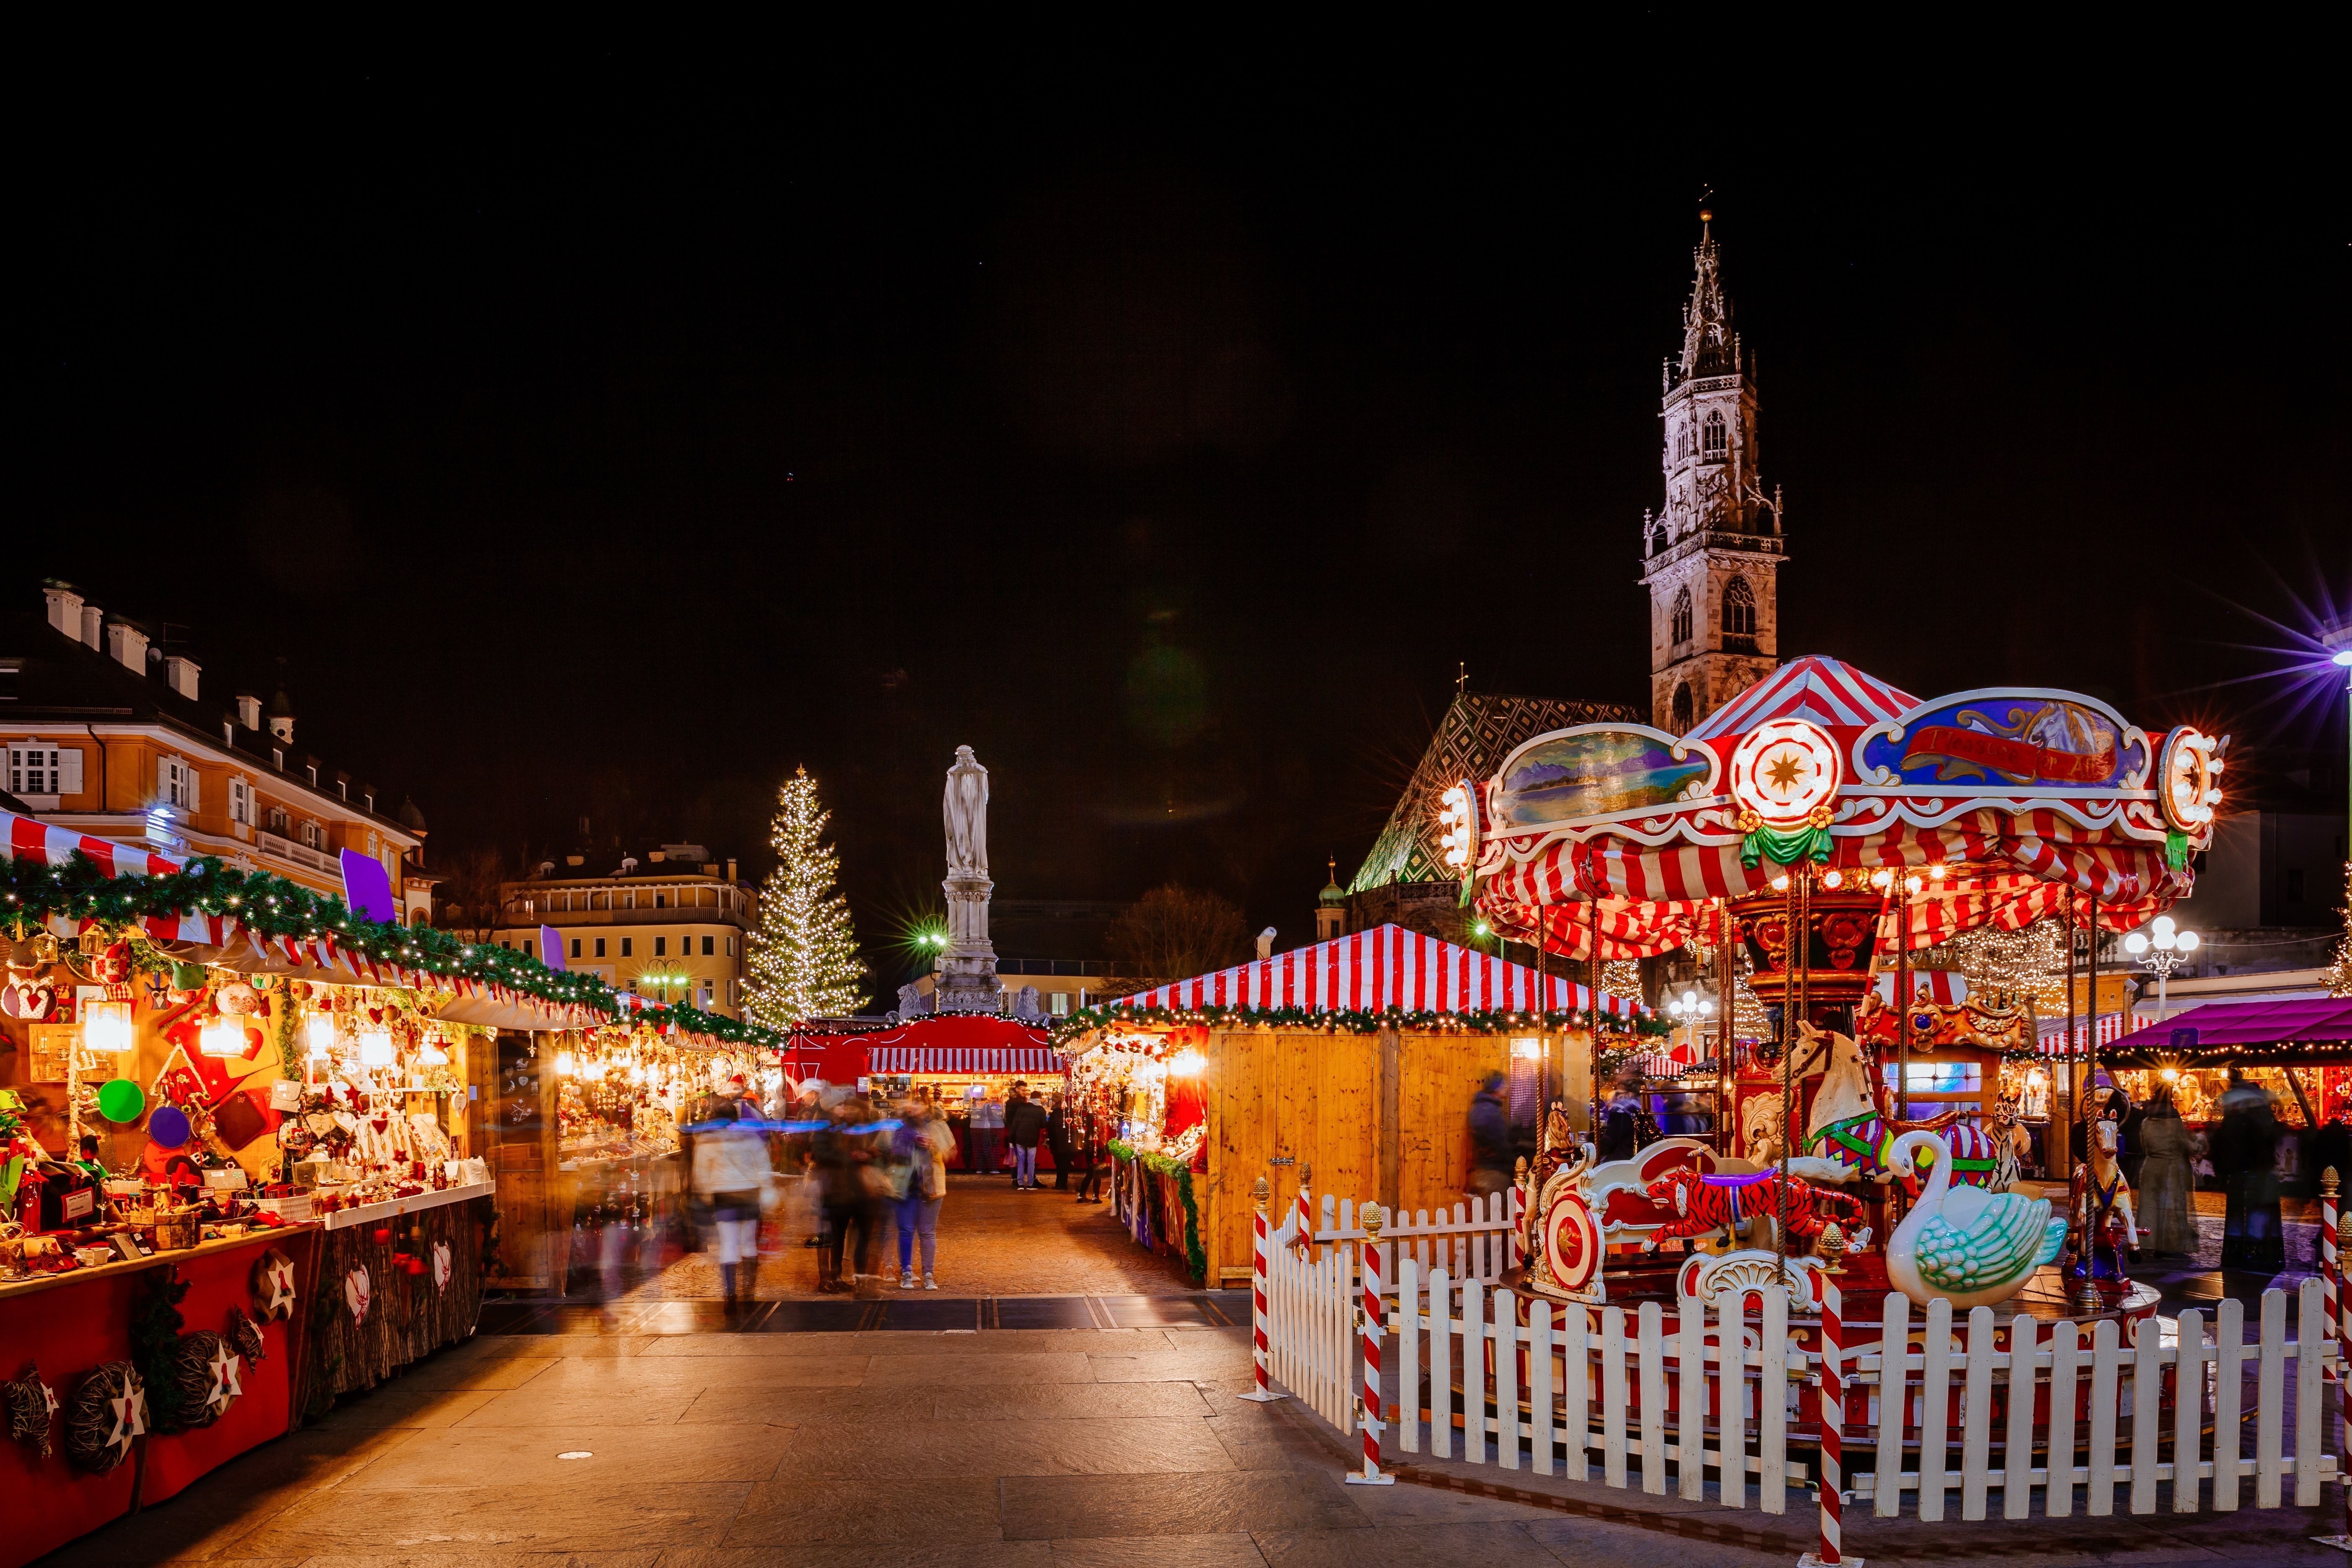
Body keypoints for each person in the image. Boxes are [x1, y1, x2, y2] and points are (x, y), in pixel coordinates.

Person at [691, 1101, 771, 1310]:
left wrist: (707, 1193)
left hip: (723, 1195)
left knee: (728, 1244)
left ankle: (730, 1297)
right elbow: (763, 1166)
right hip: (749, 1193)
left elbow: (701, 1173)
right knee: (748, 1243)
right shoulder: (750, 1137)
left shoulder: (707, 1141)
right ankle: (748, 1294)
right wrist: (767, 1190)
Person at [2211, 1072, 2284, 1273]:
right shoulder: (2262, 1122)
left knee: (2241, 1215)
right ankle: (2259, 1254)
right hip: (2258, 1172)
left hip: (2240, 1174)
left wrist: (2222, 1173)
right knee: (2258, 1216)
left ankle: (2238, 1255)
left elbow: (2221, 1148)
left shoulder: (2233, 1122)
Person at [812, 1097, 881, 1293]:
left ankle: (845, 1277)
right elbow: (822, 1154)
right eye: (842, 1105)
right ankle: (829, 1277)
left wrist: (870, 1153)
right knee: (833, 1235)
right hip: (834, 1188)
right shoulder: (827, 1126)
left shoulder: (853, 1127)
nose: (846, 1109)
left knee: (850, 1236)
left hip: (854, 1189)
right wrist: (851, 1158)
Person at [892, 1090, 954, 1288]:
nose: (914, 1108)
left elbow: (950, 1153)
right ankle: (907, 1272)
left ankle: (928, 1273)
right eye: (912, 1104)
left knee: (927, 1232)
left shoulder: (939, 1126)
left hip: (931, 1184)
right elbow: (892, 1152)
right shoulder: (900, 1127)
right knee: (906, 1230)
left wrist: (933, 1147)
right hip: (906, 1183)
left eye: (919, 1104)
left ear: (927, 1106)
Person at [2135, 1085, 2196, 1256]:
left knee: (2150, 1207)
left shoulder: (2147, 1121)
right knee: (2170, 1207)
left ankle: (2148, 1240)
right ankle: (2169, 1244)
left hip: (2151, 1167)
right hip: (2171, 1168)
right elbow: (2184, 1144)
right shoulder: (2174, 1122)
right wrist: (2199, 1145)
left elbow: (2143, 1145)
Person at [1467, 1072, 1511, 1204]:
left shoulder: (1486, 1108)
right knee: (1490, 1219)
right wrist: (1501, 1154)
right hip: (1493, 1172)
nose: (1507, 1087)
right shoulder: (1488, 1110)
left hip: (1488, 1169)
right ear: (1497, 1088)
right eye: (1504, 1084)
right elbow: (1493, 1136)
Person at [1006, 1082, 1048, 1190]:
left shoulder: (1018, 1103)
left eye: (1026, 1090)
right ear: (1017, 1089)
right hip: (1025, 1135)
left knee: (1020, 1160)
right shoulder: (1018, 1103)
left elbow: (1012, 1121)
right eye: (1023, 1090)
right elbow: (1012, 1121)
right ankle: (1029, 1182)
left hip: (1018, 1134)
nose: (1025, 1092)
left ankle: (1020, 1182)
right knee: (1028, 1160)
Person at [1596, 1073, 1643, 1163]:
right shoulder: (1642, 1109)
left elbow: (1612, 1138)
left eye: (1618, 1093)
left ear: (1629, 1095)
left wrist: (1596, 1146)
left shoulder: (1620, 1110)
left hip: (1621, 1159)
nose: (1615, 1096)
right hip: (1639, 1156)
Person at [1074, 1101, 1106, 1204]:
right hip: (1096, 1148)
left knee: (1090, 1173)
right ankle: (1095, 1196)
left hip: (1090, 1148)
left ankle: (1082, 1195)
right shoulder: (1097, 1127)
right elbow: (1100, 1136)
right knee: (1097, 1173)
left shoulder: (1089, 1128)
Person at [1046, 1094, 1073, 1191]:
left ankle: (1060, 1184)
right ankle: (1062, 1183)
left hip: (1057, 1143)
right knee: (1064, 1164)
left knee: (1060, 1164)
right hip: (1067, 1143)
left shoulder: (1056, 1113)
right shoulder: (1068, 1111)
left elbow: (1051, 1127)